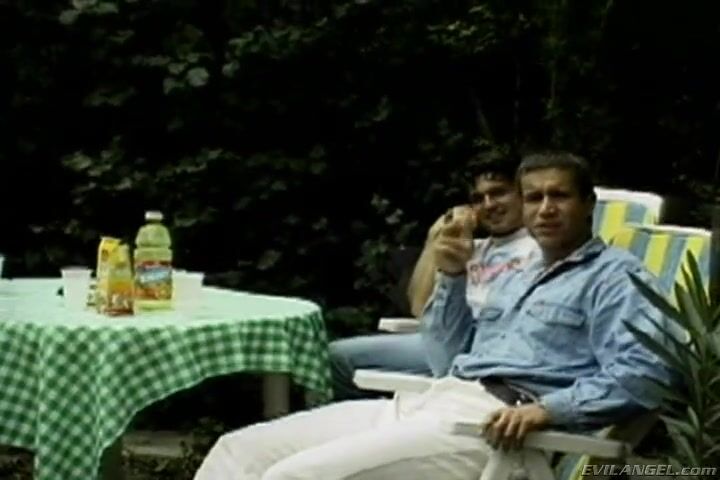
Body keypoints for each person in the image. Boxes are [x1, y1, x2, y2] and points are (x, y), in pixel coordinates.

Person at [194, 152, 680, 480]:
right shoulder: (521, 272)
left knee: (292, 476)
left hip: (494, 431)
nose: (546, 208)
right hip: (431, 401)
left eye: (560, 196)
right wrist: (450, 276)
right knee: (238, 452)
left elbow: (646, 374)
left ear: (588, 204)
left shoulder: (617, 278)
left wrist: (549, 410)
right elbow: (445, 358)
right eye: (535, 197)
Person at [329, 151, 539, 400]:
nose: (489, 204)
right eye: (478, 198)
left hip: (480, 352)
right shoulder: (469, 248)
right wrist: (436, 237)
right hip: (441, 339)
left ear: (523, 194)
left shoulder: (539, 247)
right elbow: (418, 307)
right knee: (336, 357)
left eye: (499, 193)